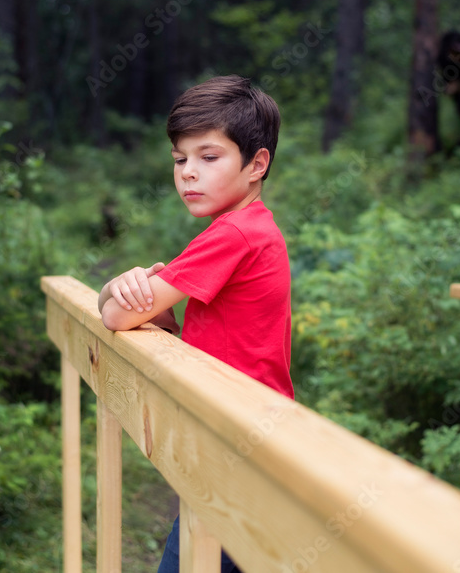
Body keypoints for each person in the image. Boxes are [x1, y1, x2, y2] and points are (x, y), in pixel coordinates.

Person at [97, 74, 294, 573]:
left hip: (237, 443)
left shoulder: (234, 234)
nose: (188, 173)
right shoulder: (250, 227)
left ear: (257, 164)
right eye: (179, 159)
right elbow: (157, 315)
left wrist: (119, 288)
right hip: (248, 435)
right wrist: (131, 292)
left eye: (208, 157)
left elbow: (118, 314)